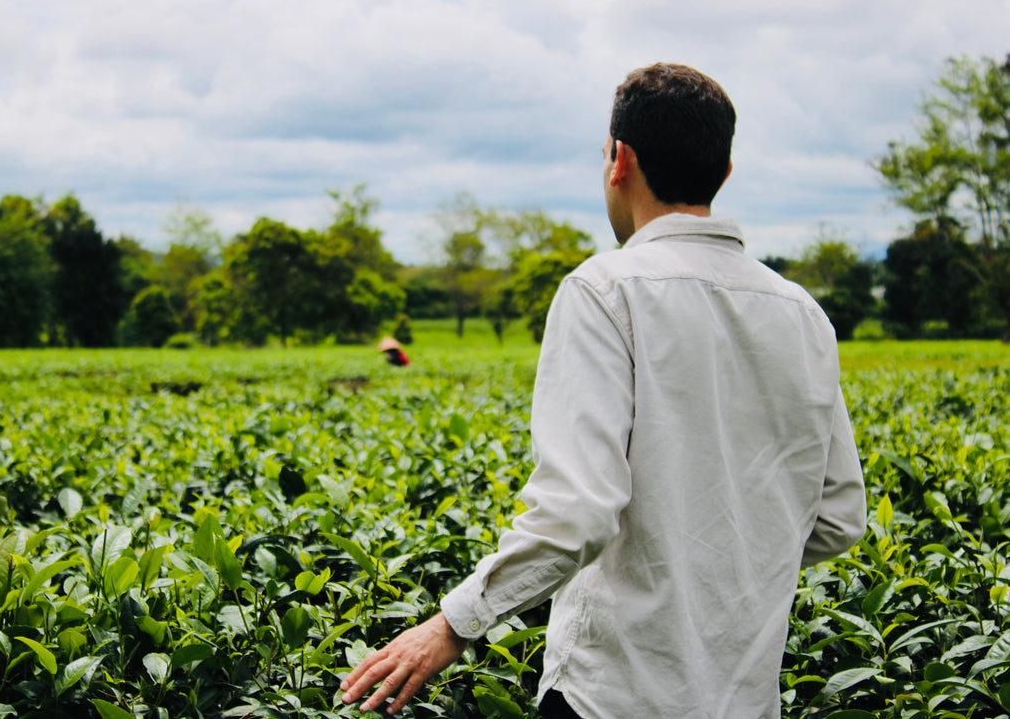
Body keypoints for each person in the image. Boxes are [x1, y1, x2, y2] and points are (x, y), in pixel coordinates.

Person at [340, 63, 867, 718]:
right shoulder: (802, 313)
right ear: (723, 173)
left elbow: (580, 510)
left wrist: (453, 623)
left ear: (621, 160)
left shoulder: (606, 288)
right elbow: (841, 514)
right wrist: (732, 553)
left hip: (612, 695)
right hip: (746, 698)